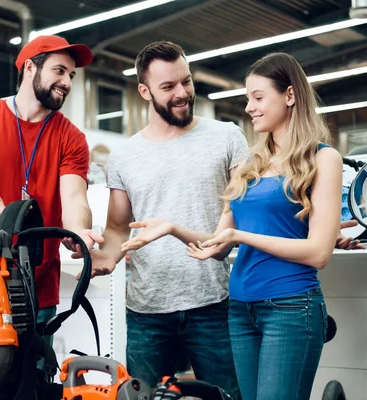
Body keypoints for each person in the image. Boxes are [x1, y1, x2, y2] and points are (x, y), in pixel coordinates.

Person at [121, 52, 346, 400]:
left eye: (258, 97)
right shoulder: (252, 165)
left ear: (289, 95)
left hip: (290, 306)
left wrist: (241, 235)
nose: (250, 108)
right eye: (248, 99)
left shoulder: (322, 158)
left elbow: (318, 253)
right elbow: (217, 244)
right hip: (240, 310)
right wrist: (171, 228)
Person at [81, 40, 245, 398]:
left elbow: (244, 215)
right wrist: (106, 256)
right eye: (168, 87)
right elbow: (117, 227)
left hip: (213, 303)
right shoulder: (124, 156)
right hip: (147, 310)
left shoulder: (227, 137)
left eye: (185, 81)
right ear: (144, 91)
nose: (182, 93)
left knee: (229, 395)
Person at [0, 35, 103, 328]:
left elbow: (75, 198)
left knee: (34, 373)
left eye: (71, 74)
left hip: (35, 289)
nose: (67, 81)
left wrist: (79, 231)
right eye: (59, 70)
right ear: (30, 68)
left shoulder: (72, 138)